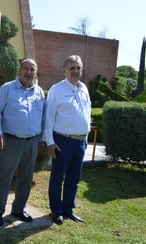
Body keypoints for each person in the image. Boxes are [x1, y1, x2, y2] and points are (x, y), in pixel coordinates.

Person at [0, 58, 45, 226]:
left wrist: (41, 139)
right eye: (26, 69)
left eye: (32, 70)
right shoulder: (7, 89)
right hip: (11, 141)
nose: (29, 72)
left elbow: (42, 117)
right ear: (19, 71)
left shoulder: (39, 92)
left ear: (36, 73)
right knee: (4, 178)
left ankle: (19, 209)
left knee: (26, 179)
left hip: (32, 141)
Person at [43, 55, 91, 225]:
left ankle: (68, 209)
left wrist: (86, 136)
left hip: (80, 142)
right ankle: (56, 211)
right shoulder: (56, 89)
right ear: (64, 71)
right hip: (62, 141)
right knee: (58, 178)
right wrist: (49, 141)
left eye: (78, 68)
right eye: (72, 68)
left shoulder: (84, 88)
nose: (75, 71)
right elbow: (49, 117)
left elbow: (87, 112)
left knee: (74, 178)